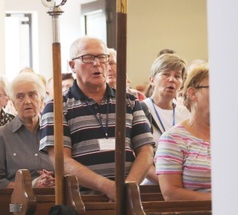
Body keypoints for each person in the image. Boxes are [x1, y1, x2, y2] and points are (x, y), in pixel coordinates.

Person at [39, 36, 154, 200]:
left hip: (128, 198)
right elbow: (61, 160)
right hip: (83, 201)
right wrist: (107, 187)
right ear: (72, 65)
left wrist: (128, 186)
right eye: (87, 58)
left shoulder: (129, 101)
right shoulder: (57, 107)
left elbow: (146, 151)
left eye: (102, 57)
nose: (96, 63)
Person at [0, 72, 54, 189]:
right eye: (20, 97)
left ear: (42, 101)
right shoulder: (1, 136)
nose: (27, 101)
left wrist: (53, 181)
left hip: (55, 199)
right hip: (16, 203)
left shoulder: (55, 131)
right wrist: (30, 186)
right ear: (13, 104)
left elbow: (69, 169)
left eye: (32, 95)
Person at [155, 65, 211, 200]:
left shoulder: (234, 136)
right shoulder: (173, 138)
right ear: (193, 93)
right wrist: (221, 201)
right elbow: (171, 194)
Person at [140, 53, 190, 184]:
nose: (172, 79)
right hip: (150, 186)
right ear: (151, 80)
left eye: (177, 76)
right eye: (166, 74)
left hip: (183, 185)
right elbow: (135, 157)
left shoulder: (186, 114)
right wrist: (167, 183)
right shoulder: (139, 110)